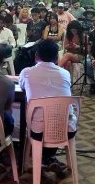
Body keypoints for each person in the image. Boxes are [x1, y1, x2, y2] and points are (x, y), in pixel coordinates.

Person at [19, 39, 74, 173]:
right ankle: (48, 157)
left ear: (36, 56)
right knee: (53, 116)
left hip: (39, 131)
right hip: (66, 129)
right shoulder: (65, 74)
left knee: (37, 119)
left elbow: (22, 87)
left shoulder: (27, 72)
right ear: (57, 58)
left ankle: (41, 158)